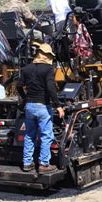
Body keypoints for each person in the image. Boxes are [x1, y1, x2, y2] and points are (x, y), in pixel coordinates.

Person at [17, 43, 65, 173]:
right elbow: (50, 88)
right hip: (43, 106)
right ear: (47, 55)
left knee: (29, 135)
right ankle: (44, 164)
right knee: (46, 135)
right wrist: (58, 106)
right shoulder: (48, 69)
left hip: (29, 107)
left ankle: (27, 163)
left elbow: (19, 85)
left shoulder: (26, 69)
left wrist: (25, 98)